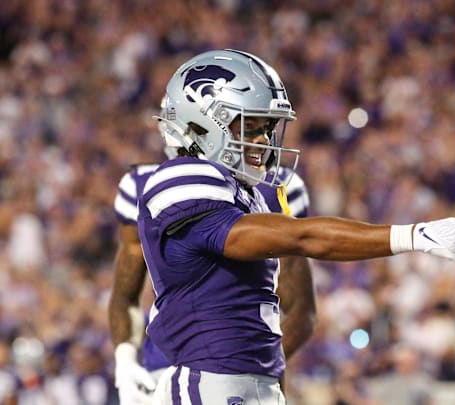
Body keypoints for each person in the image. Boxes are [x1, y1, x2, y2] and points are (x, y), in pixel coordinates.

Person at [139, 49, 455, 405]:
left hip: (248, 384)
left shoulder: (245, 193)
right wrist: (412, 236)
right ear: (199, 123)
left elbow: (292, 299)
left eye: (266, 128)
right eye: (248, 126)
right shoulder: (182, 178)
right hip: (207, 385)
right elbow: (304, 237)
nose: (263, 140)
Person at [109, 112, 316, 404]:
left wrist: (251, 367)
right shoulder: (148, 186)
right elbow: (126, 293)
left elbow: (301, 310)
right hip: (164, 367)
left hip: (241, 369)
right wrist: (126, 360)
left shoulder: (275, 186)